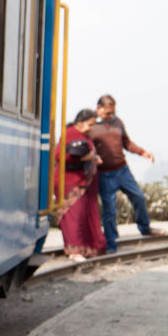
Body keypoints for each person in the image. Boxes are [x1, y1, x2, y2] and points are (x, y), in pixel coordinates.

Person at [88, 94, 165, 252]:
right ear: (98, 109)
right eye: (108, 113)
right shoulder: (92, 126)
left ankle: (145, 227)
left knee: (138, 197)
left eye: (113, 113)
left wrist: (142, 152)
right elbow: (87, 147)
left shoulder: (118, 122)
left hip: (123, 170)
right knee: (109, 209)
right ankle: (111, 242)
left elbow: (126, 142)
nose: (111, 116)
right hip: (105, 175)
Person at [55, 109, 106, 261]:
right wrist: (85, 157)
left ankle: (87, 248)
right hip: (71, 182)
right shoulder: (70, 133)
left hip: (84, 183)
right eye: (90, 124)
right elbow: (60, 155)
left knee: (84, 216)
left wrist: (93, 158)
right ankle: (74, 250)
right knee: (73, 216)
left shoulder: (84, 136)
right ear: (80, 122)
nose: (92, 128)